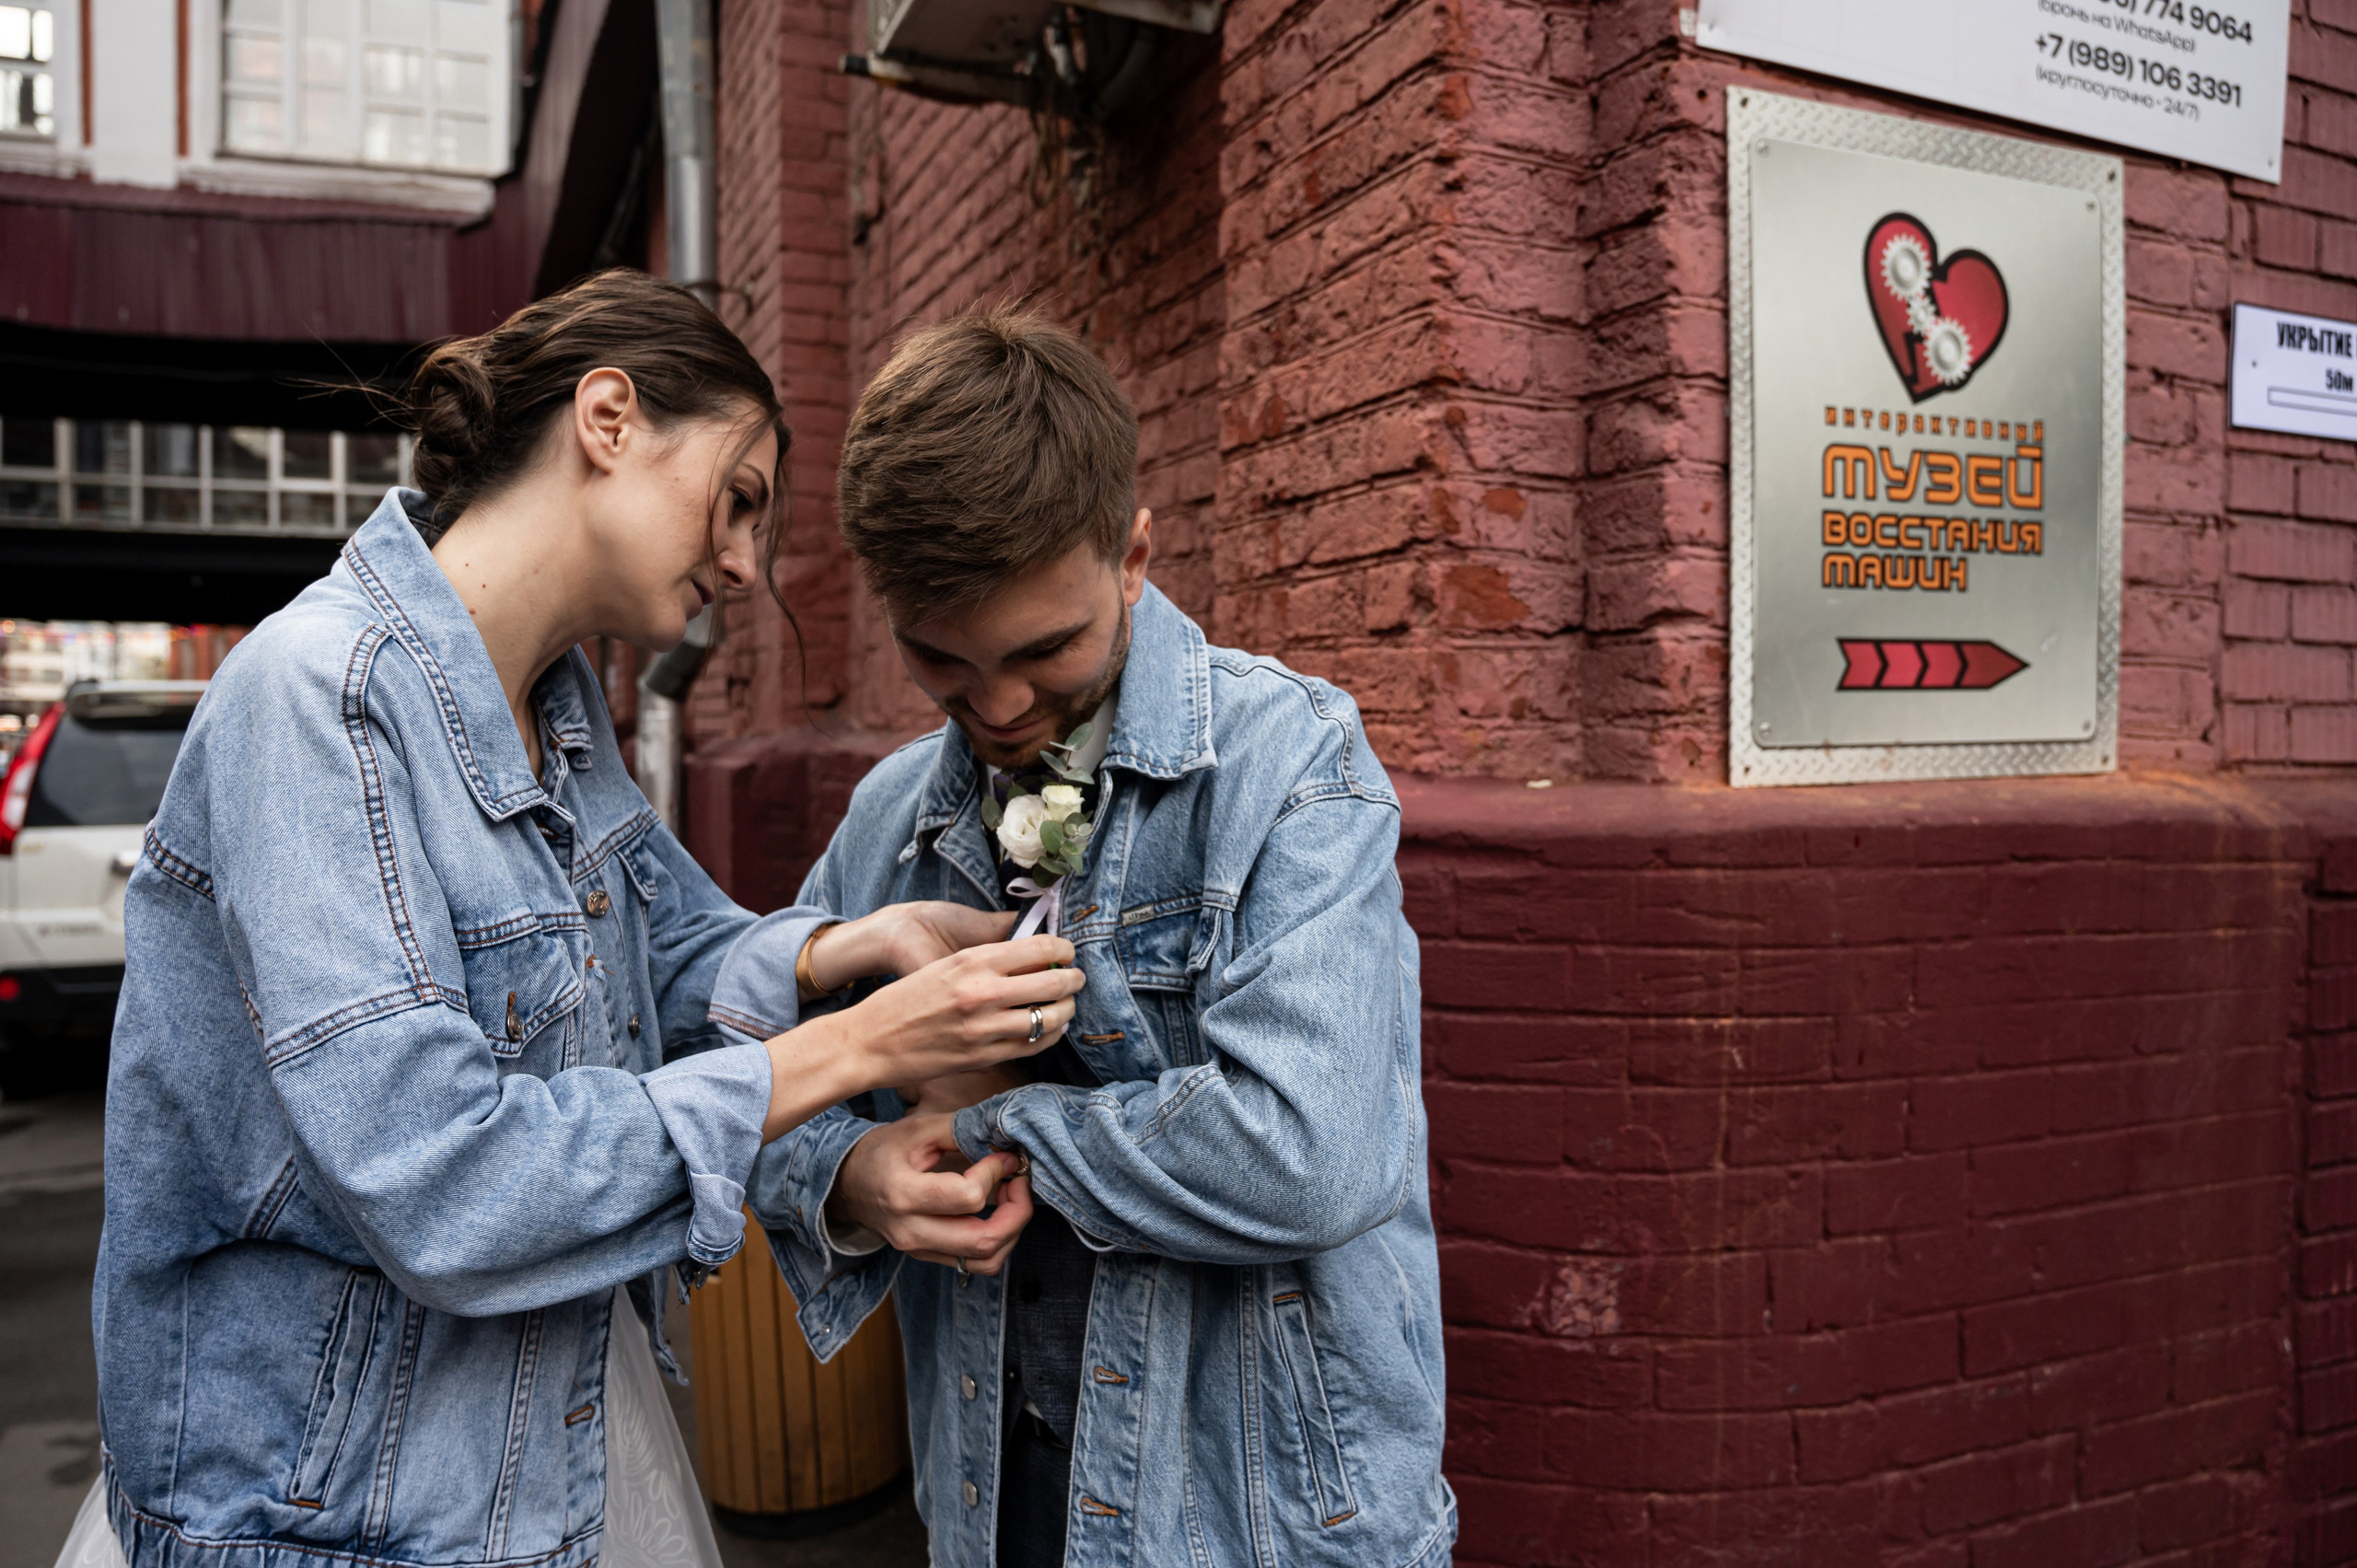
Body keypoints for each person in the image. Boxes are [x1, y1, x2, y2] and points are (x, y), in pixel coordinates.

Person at [73, 271, 1081, 1568]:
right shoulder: (317, 699)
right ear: (608, 419)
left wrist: (852, 948)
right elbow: (441, 1179)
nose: (742, 564)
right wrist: (864, 1045)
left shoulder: (554, 710)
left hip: (538, 1455)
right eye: (740, 498)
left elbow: (660, 958)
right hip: (332, 1516)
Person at [718, 308, 1454, 1568]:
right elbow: (742, 1088)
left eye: (1045, 652)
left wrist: (987, 1124)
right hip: (991, 1494)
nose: (998, 707)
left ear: (1134, 553)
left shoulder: (1289, 762)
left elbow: (1312, 1153)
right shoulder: (891, 818)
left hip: (1257, 1516)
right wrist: (852, 1181)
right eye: (940, 664)